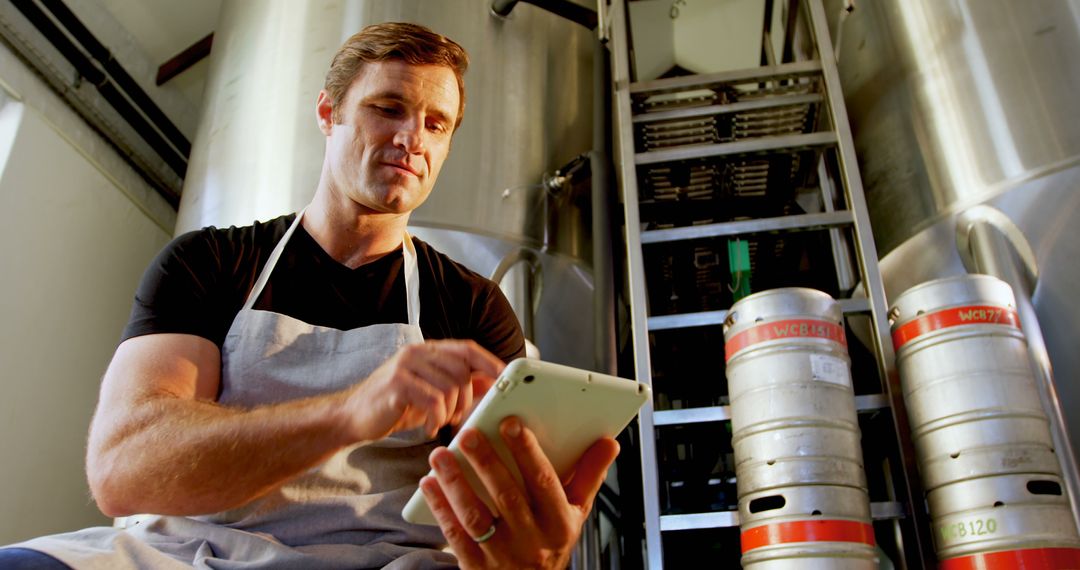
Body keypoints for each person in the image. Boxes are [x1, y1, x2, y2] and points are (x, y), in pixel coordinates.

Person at [0, 22, 619, 569]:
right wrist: (352, 412)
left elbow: (512, 512)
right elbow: (124, 469)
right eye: (388, 108)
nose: (413, 139)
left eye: (437, 124)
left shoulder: (472, 306)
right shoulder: (210, 263)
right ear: (328, 114)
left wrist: (537, 555)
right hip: (185, 554)